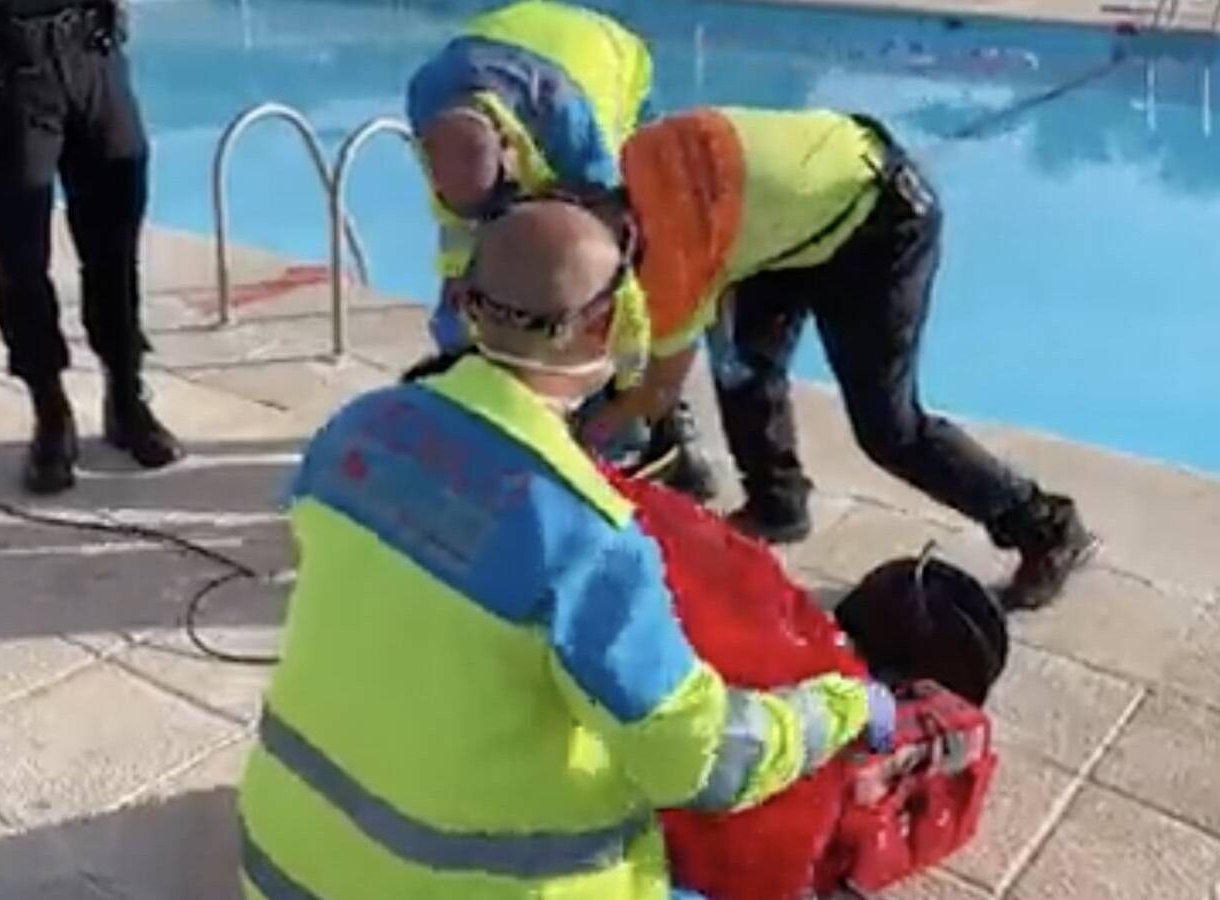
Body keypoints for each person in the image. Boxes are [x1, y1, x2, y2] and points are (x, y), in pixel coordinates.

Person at [236, 200, 895, 900]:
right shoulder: (585, 537)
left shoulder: (356, 430)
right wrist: (845, 706)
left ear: (464, 302)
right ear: (608, 323)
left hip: (282, 871)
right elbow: (701, 761)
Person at [581, 106, 1095, 610]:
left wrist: (586, 439)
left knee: (889, 430)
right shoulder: (636, 158)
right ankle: (777, 503)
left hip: (879, 221)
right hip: (783, 220)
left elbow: (657, 392)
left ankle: (1047, 527)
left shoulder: (674, 264)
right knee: (742, 364)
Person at [404, 0, 715, 499]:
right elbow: (461, 240)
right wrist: (458, 342)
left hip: (606, 61)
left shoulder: (571, 127)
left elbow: (618, 261)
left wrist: (632, 384)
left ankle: (667, 427)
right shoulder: (428, 102)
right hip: (509, 44)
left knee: (617, 257)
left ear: (508, 147)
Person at [0, 0, 180, 495]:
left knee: (115, 241)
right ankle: (50, 413)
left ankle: (125, 393)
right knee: (18, 257)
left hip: (90, 48)